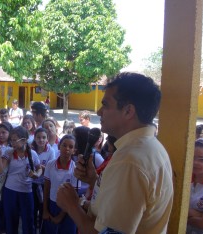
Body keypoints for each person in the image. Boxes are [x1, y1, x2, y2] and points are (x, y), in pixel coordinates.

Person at [56, 72, 173, 234]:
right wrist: (94, 181)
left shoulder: (129, 161)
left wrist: (72, 206)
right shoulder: (151, 147)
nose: (98, 111)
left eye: (106, 104)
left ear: (128, 111)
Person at [0, 126, 42, 234]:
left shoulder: (33, 154)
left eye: (15, 140)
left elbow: (39, 168)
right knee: (11, 220)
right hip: (10, 191)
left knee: (28, 222)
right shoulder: (9, 152)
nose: (12, 143)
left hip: (26, 191)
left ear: (24, 140)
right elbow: (0, 171)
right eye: (11, 140)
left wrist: (36, 174)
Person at [42, 135, 78, 234]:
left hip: (68, 208)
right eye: (64, 145)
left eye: (71, 147)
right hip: (52, 204)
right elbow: (46, 188)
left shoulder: (75, 169)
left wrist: (60, 216)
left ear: (74, 151)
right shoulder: (50, 164)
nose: (67, 149)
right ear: (59, 146)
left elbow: (73, 196)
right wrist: (45, 210)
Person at [31, 127, 55, 231]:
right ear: (35, 138)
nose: (41, 140)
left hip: (43, 185)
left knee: (42, 208)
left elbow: (51, 170)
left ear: (47, 139)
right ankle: (31, 228)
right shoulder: (30, 150)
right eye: (38, 137)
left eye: (43, 137)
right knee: (32, 208)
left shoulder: (51, 151)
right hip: (31, 183)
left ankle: (40, 228)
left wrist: (38, 166)